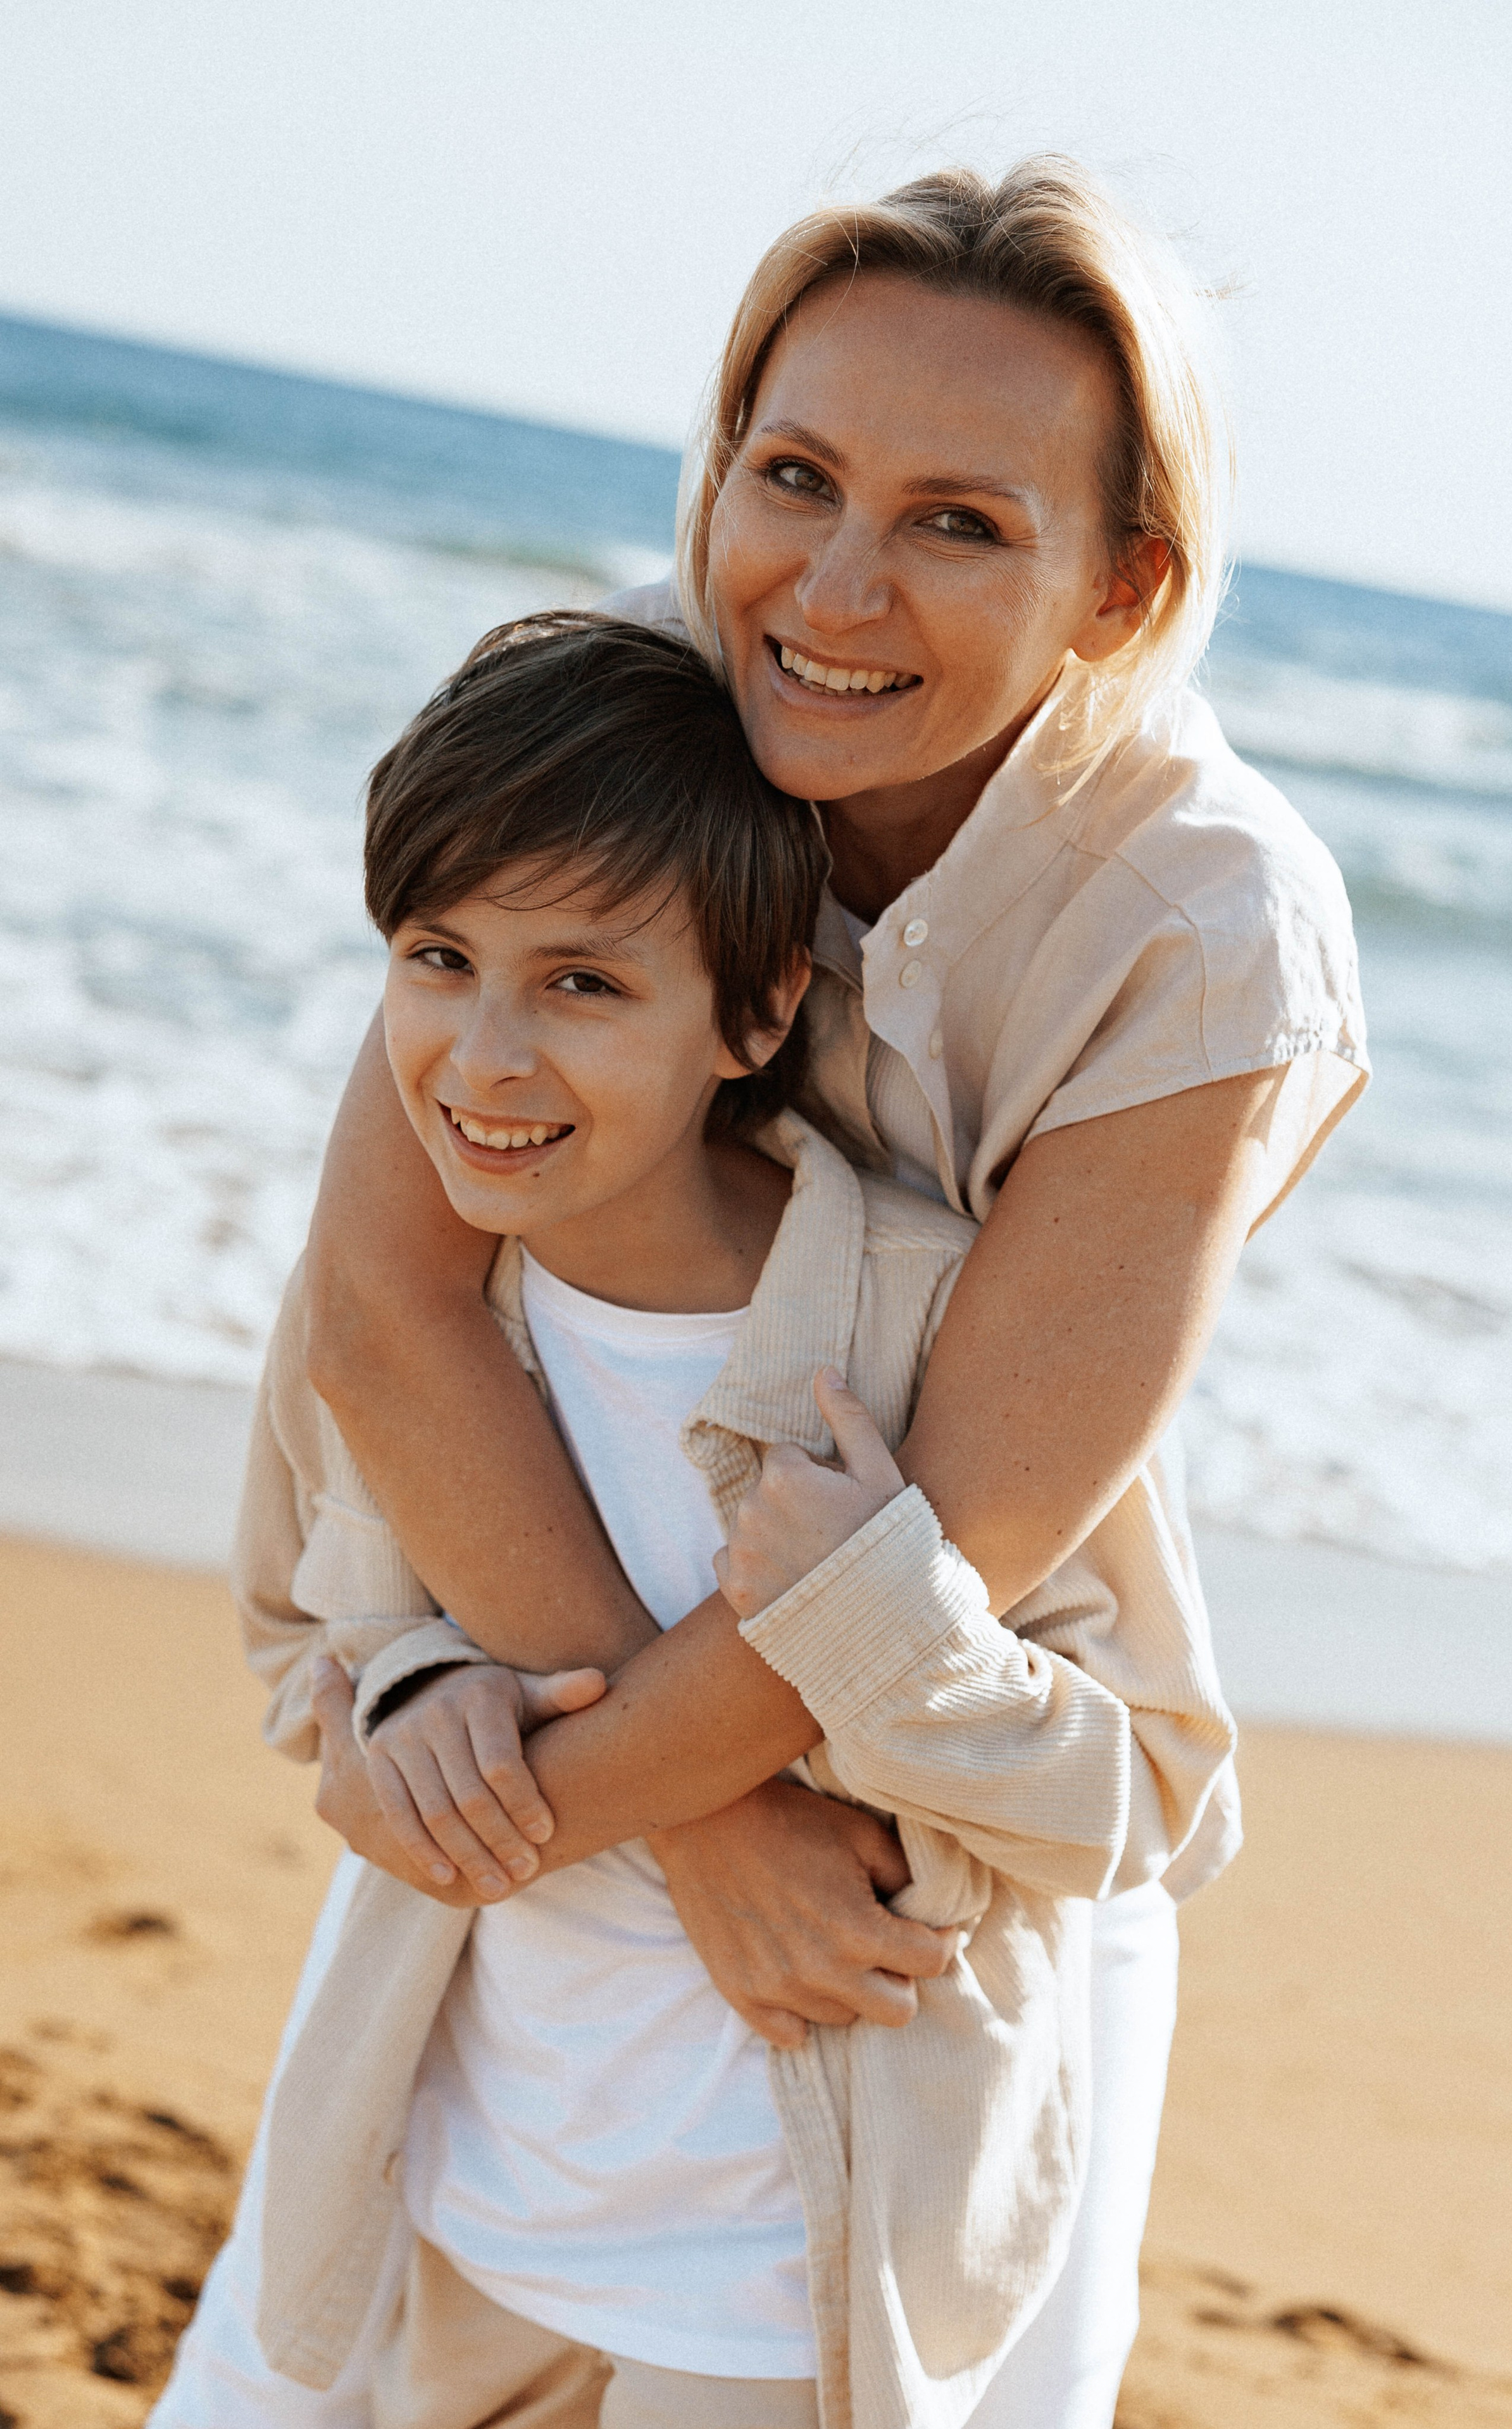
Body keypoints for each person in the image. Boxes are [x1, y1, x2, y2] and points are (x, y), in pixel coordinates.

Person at [290, 158, 1369, 2421]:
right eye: (793, 478)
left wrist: (591, 1807)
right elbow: (389, 1302)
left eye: (960, 523)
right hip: (576, 1691)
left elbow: (940, 1546)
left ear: (1122, 583)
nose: (836, 587)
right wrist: (689, 1827)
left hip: (910, 1830)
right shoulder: (638, 706)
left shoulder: (1205, 924)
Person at [154, 611, 1239, 2429]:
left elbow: (1151, 1795)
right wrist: (414, 1698)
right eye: (438, 960)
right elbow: (301, 1652)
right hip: (472, 2191)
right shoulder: (417, 1316)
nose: (486, 1058)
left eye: (585, 984)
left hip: (772, 2271)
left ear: (758, 1011)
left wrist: (887, 1627)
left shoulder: (930, 1332)